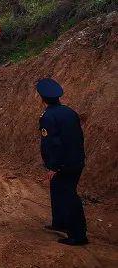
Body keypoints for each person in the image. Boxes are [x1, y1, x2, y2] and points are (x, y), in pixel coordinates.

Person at [37, 78, 88, 246]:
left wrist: (54, 167)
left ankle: (78, 235)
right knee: (58, 190)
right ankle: (60, 223)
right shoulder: (70, 112)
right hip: (76, 160)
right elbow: (78, 138)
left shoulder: (48, 117)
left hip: (63, 164)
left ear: (42, 98)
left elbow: (52, 144)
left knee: (68, 196)